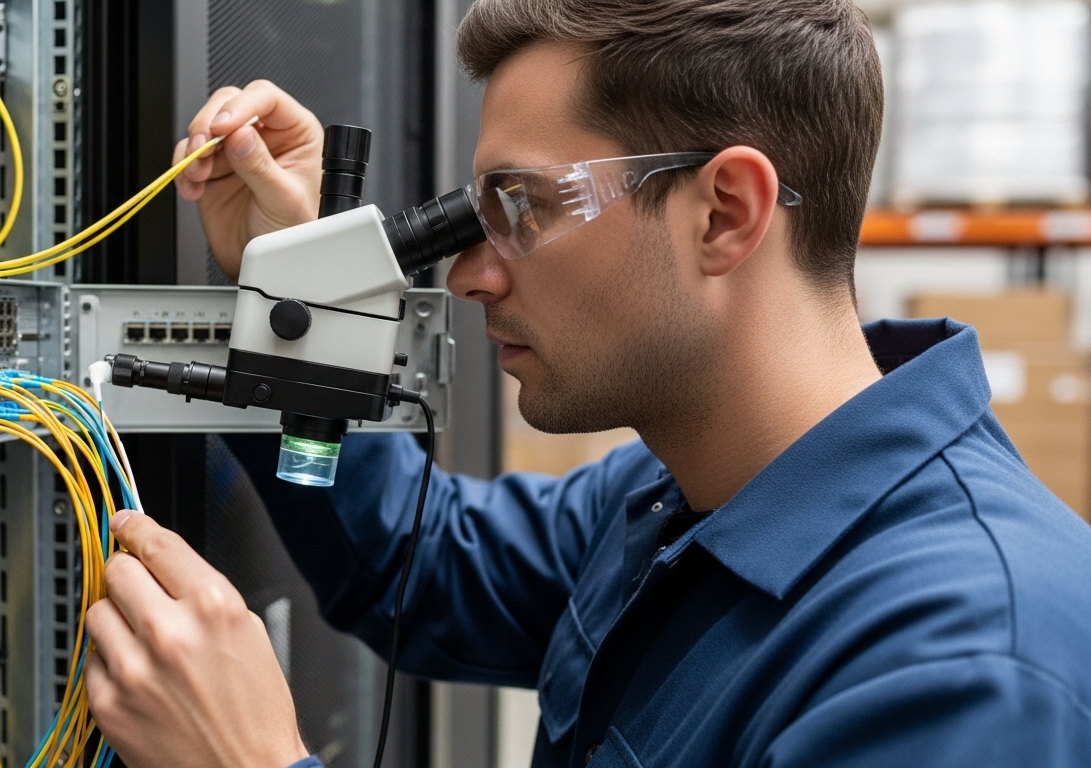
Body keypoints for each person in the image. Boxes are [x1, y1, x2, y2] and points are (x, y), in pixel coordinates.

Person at [84, 0, 1091, 765]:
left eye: (520, 206)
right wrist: (297, 302)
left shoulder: (956, 669)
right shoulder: (673, 498)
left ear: (722, 214)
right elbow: (410, 563)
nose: (471, 275)